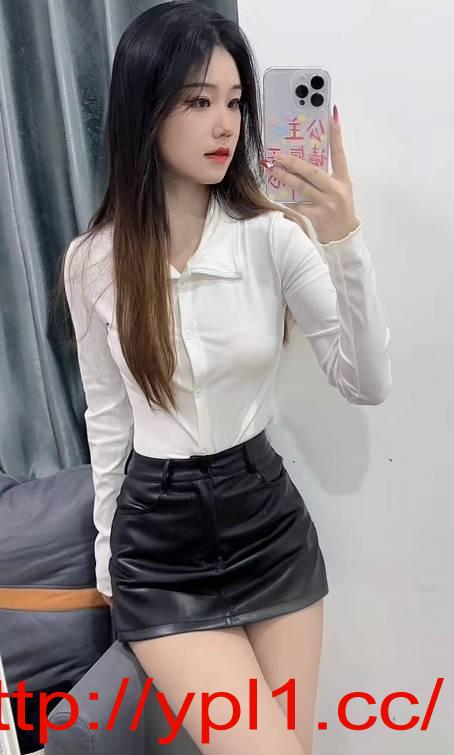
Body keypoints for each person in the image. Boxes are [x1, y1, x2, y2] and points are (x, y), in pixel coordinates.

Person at [58, 2, 392, 753]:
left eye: (236, 102)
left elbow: (366, 382)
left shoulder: (273, 237)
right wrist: (109, 559)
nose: (225, 125)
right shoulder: (92, 263)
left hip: (267, 527)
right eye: (198, 101)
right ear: (145, 110)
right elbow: (107, 417)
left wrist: (342, 239)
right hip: (159, 551)